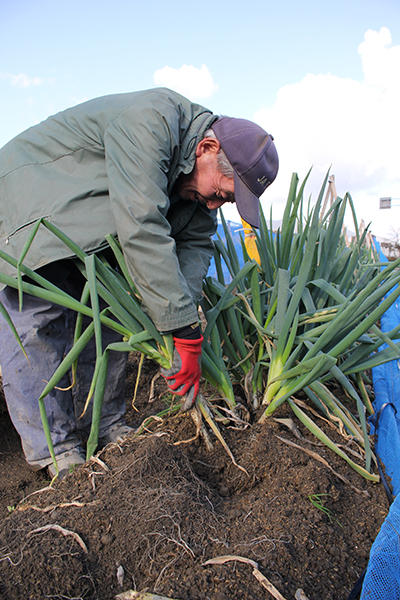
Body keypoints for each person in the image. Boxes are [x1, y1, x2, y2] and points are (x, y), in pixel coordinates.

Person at [0, 87, 278, 477]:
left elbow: (196, 247)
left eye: (226, 201)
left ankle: (106, 422)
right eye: (219, 192)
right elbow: (141, 225)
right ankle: (56, 448)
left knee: (112, 316)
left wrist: (186, 330)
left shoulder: (197, 186)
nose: (215, 205)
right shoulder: (153, 120)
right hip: (36, 204)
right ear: (208, 148)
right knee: (39, 320)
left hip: (96, 229)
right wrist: (181, 329)